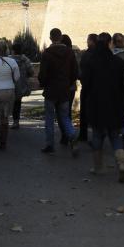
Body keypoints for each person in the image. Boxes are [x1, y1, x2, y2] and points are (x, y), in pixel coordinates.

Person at [81, 32, 124, 182]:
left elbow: (86, 84)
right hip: (115, 104)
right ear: (110, 43)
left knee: (97, 135)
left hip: (97, 104)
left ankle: (98, 167)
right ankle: (121, 164)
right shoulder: (118, 63)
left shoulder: (91, 62)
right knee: (115, 136)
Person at [38, 27, 79, 155]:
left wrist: (43, 83)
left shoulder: (47, 53)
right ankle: (72, 136)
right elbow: (75, 72)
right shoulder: (70, 53)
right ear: (61, 37)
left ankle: (50, 145)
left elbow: (43, 74)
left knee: (49, 119)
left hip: (50, 90)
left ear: (51, 38)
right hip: (64, 90)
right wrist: (69, 82)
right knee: (65, 117)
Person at [58, 33, 79, 145]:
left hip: (63, 87)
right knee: (67, 112)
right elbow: (76, 71)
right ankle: (68, 134)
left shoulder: (63, 54)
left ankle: (66, 135)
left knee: (61, 112)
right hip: (71, 87)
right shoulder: (72, 54)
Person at [77, 33, 98, 141]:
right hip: (97, 87)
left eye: (88, 40)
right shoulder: (101, 54)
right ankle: (96, 136)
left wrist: (81, 79)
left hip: (87, 87)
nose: (86, 42)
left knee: (84, 112)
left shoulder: (87, 54)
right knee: (96, 112)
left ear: (91, 41)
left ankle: (83, 134)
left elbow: (82, 69)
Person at [9, 42, 34, 129]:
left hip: (10, 84)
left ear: (13, 51)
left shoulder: (8, 60)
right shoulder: (25, 60)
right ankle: (16, 121)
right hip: (21, 85)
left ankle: (7, 119)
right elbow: (31, 72)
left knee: (10, 102)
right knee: (17, 103)